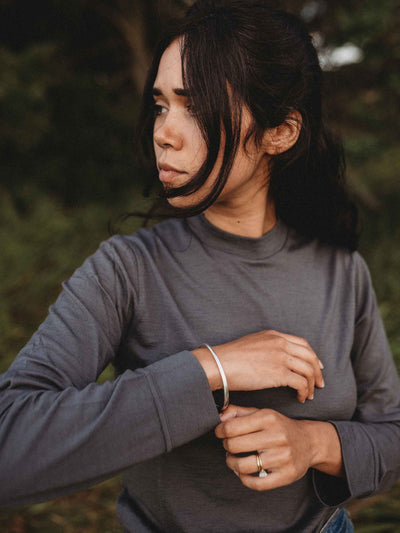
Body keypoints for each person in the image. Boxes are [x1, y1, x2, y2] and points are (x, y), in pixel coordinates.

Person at [1, 1, 400, 532]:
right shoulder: (126, 271)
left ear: (280, 132)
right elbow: (10, 447)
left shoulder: (341, 271)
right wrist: (210, 368)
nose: (164, 132)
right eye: (161, 104)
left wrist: (315, 443)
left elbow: (391, 434)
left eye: (194, 106)